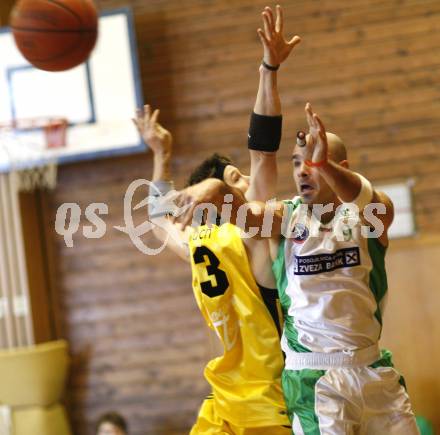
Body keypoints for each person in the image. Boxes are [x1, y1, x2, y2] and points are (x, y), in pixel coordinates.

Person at [174, 103, 419, 434]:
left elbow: (372, 201)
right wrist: (216, 190)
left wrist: (325, 166)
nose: (304, 170)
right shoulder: (284, 217)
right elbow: (245, 212)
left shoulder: (370, 217)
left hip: (373, 368)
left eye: (314, 161)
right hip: (313, 378)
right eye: (298, 163)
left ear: (340, 166)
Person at [134, 6, 300, 433]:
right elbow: (263, 149)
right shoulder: (251, 232)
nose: (247, 178)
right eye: (234, 176)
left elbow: (157, 220)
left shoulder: (199, 245)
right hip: (270, 403)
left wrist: (161, 156)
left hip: (224, 407)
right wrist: (269, 70)